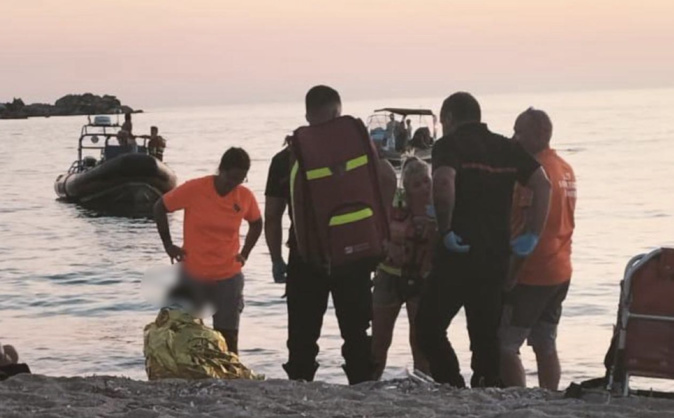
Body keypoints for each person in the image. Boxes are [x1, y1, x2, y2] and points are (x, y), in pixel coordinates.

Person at [415, 92, 551, 388]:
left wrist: (445, 228)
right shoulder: (504, 146)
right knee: (484, 335)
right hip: (494, 257)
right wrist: (532, 234)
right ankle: (485, 387)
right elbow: (543, 183)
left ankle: (451, 384)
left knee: (428, 328)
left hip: (456, 255)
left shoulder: (448, 145)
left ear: (449, 118)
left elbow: (443, 181)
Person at [264, 85, 396, 384]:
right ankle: (362, 385)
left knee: (302, 333)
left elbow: (272, 216)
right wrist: (381, 231)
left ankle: (300, 385)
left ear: (308, 115)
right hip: (355, 251)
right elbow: (387, 180)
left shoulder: (285, 158)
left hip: (306, 254)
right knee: (356, 331)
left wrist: (276, 260)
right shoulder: (361, 149)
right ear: (339, 111)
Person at [153, 147, 263, 354]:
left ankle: (230, 379)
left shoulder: (244, 196)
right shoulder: (195, 189)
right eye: (231, 178)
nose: (234, 185)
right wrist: (168, 245)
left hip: (229, 276)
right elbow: (159, 207)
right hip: (194, 274)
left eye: (240, 180)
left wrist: (246, 252)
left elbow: (257, 223)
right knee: (187, 336)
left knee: (228, 339)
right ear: (221, 169)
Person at [499, 108, 577, 390]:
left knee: (506, 344)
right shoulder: (565, 169)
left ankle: (519, 397)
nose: (513, 138)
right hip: (561, 269)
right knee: (545, 341)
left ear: (538, 134)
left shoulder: (532, 175)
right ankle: (549, 395)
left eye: (519, 131)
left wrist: (511, 275)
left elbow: (527, 230)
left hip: (533, 272)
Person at [372, 157, 433, 379]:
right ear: (406, 188)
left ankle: (423, 383)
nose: (424, 188)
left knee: (420, 342)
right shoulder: (394, 204)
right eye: (417, 185)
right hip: (389, 277)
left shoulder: (437, 206)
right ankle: (370, 383)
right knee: (380, 340)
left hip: (422, 279)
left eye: (426, 181)